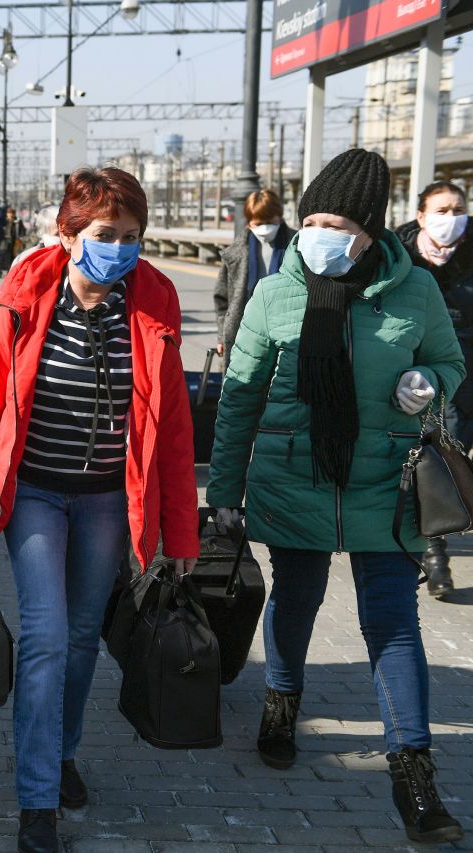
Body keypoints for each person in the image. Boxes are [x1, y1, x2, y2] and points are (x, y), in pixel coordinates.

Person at [206, 149, 464, 846]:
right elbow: (238, 400)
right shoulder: (276, 293)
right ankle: (282, 703)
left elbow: (449, 363)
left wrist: (429, 385)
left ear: (370, 231)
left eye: (336, 222)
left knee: (392, 620)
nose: (318, 232)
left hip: (387, 479)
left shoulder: (414, 293)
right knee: (297, 601)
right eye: (311, 219)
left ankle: (415, 777)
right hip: (294, 478)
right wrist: (222, 494)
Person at [0, 167, 199, 853]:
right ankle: (36, 802)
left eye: (131, 237)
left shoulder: (153, 304)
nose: (118, 248)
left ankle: (60, 752)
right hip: (33, 494)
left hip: (110, 501)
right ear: (68, 232)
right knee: (48, 636)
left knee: (84, 637)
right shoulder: (28, 294)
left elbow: (173, 430)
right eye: (104, 234)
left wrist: (182, 533)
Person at [398, 181, 472, 600]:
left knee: (458, 467)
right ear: (422, 215)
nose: (451, 217)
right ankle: (435, 555)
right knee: (434, 465)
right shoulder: (400, 256)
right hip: (424, 379)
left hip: (471, 378)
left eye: (458, 209)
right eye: (441, 210)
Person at [214, 189, 296, 365]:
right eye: (258, 223)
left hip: (286, 332)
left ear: (280, 217)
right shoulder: (235, 252)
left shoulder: (297, 245)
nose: (265, 228)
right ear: (249, 222)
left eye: (270, 221)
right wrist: (222, 335)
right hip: (244, 332)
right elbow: (222, 299)